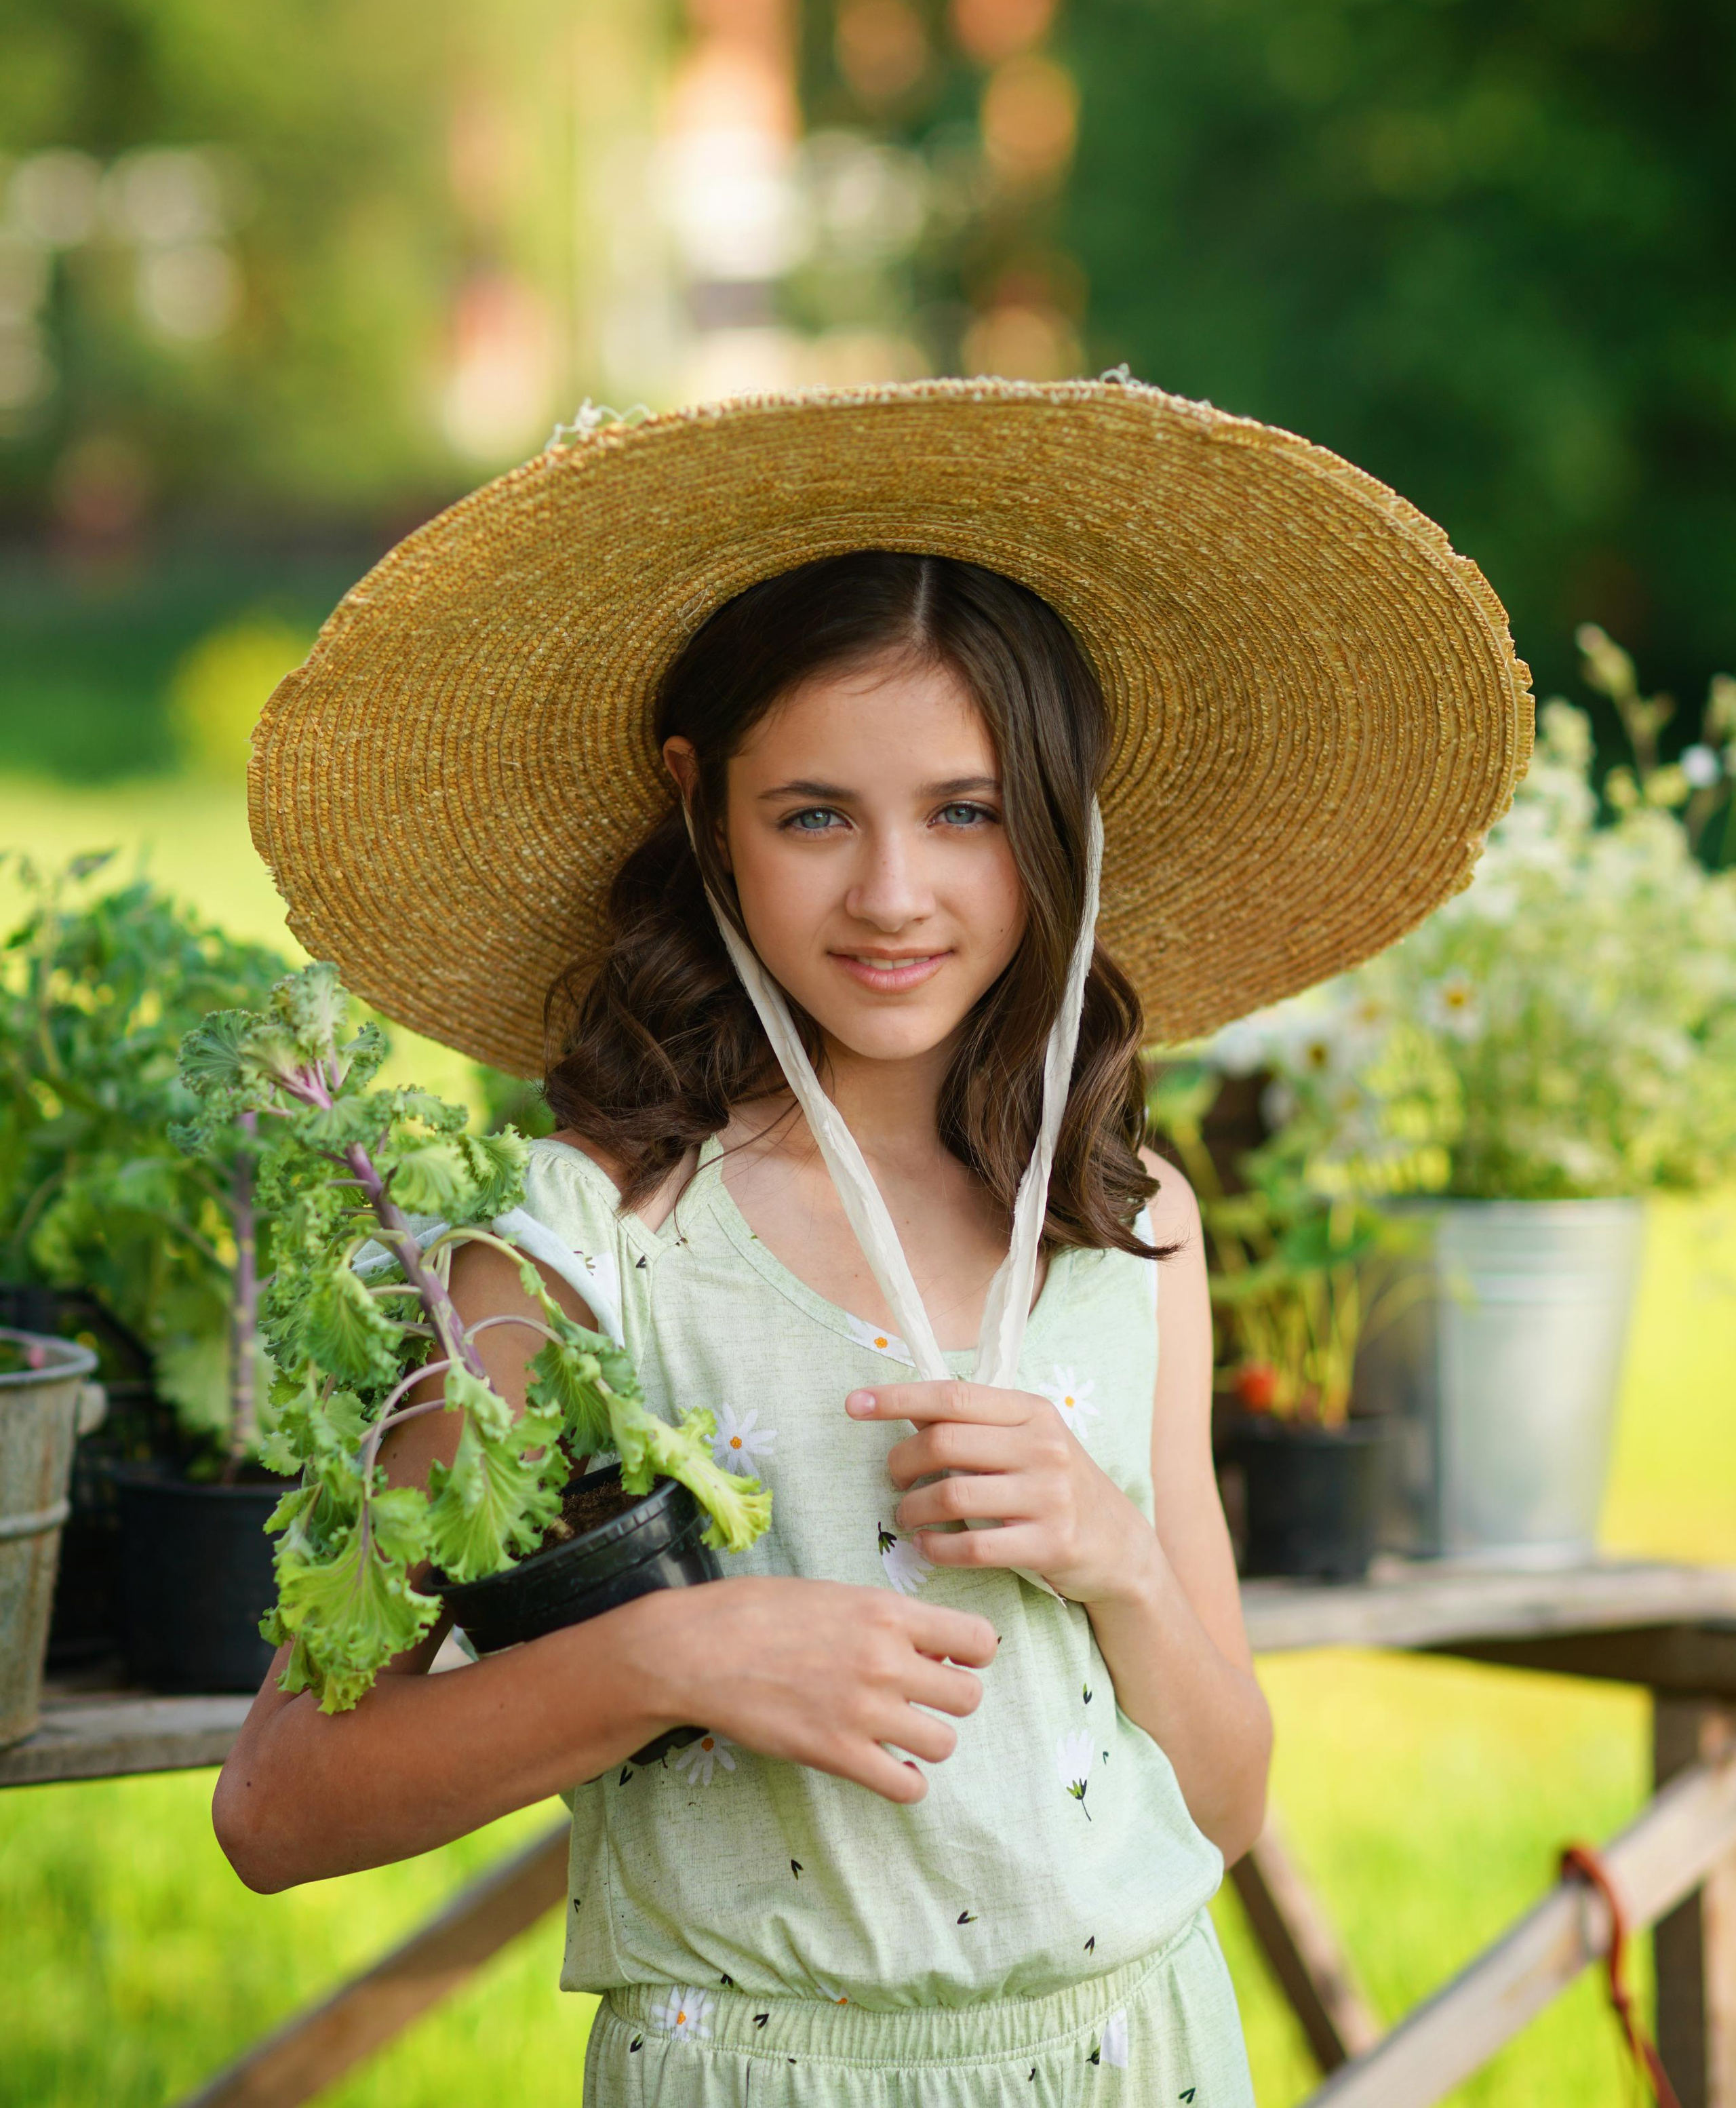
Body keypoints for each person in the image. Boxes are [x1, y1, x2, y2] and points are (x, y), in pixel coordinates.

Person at [218, 376, 1531, 2103]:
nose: (894, 893)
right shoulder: (580, 1249)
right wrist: (662, 1655)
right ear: (700, 805)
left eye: (966, 811)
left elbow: (1226, 1792)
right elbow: (279, 1801)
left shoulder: (1124, 1220)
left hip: (1140, 2048)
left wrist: (1113, 1556)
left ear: (1060, 816)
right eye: (815, 813)